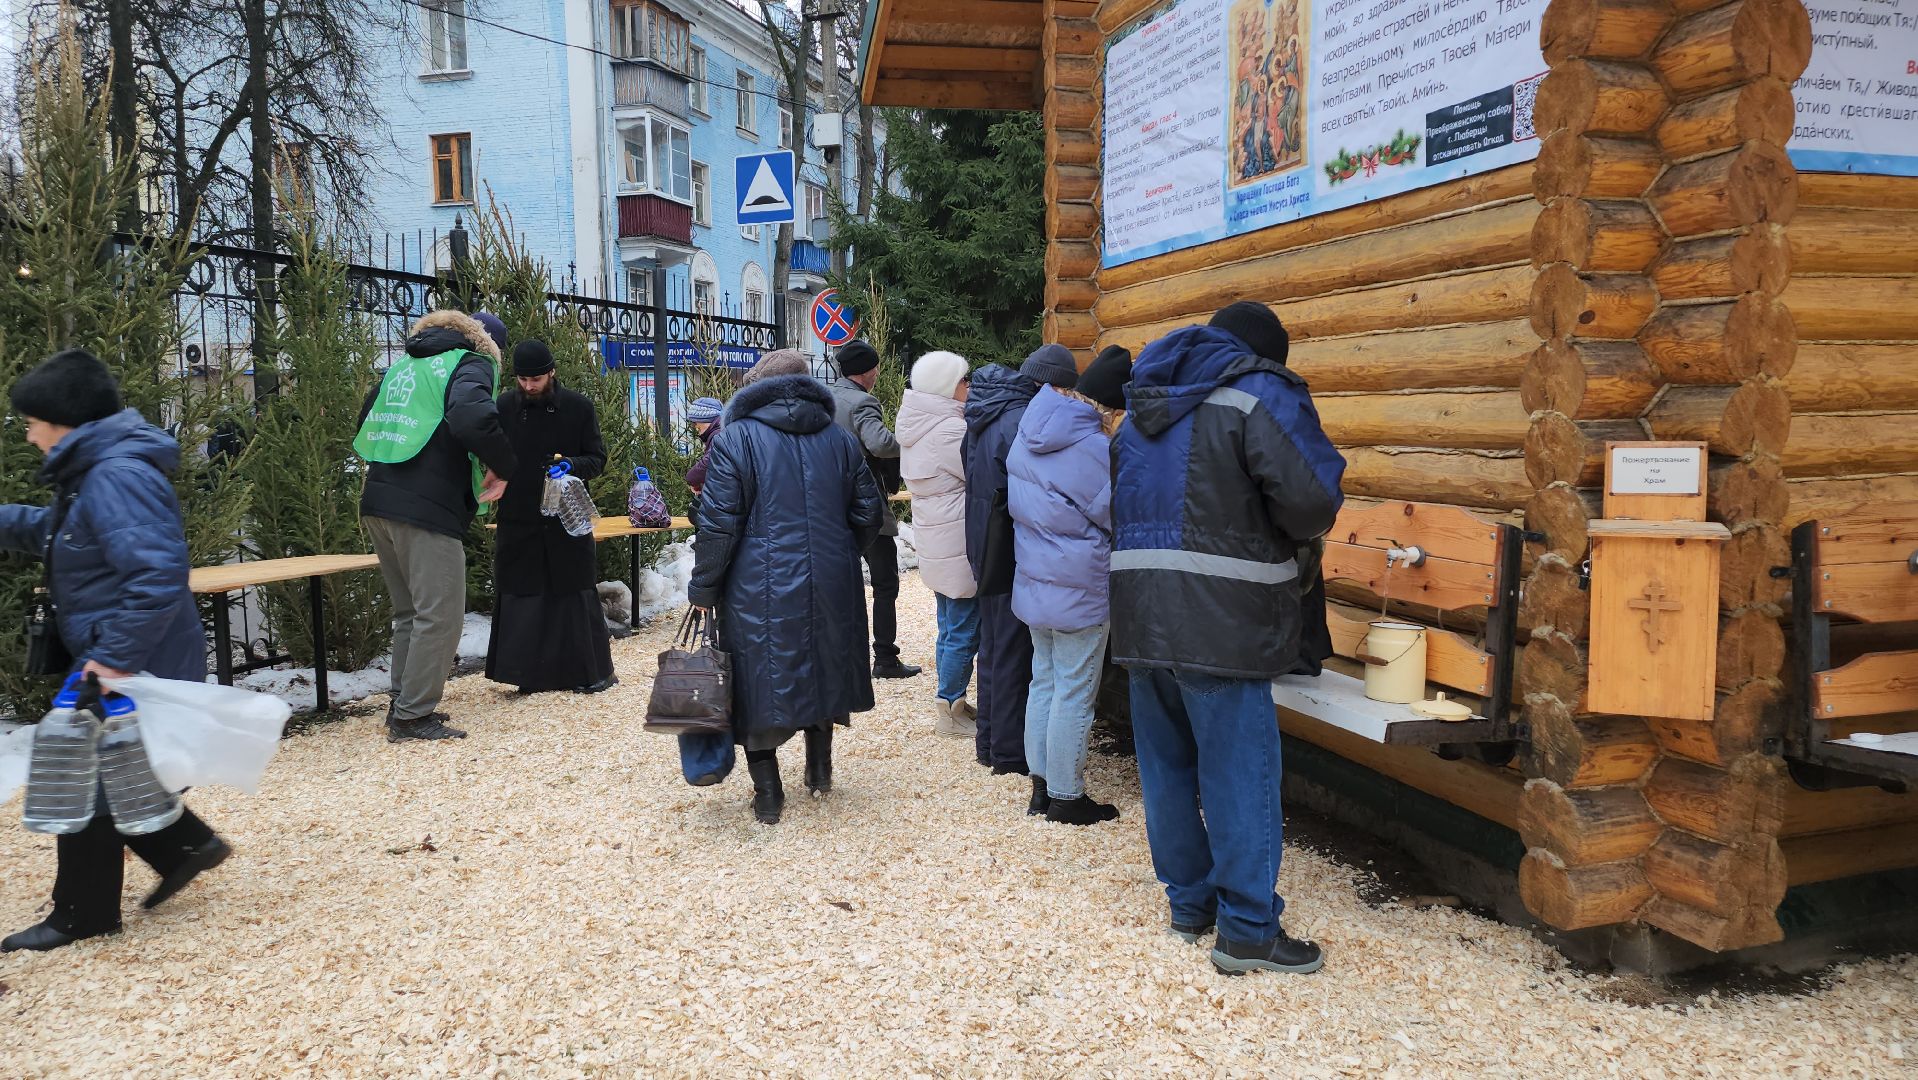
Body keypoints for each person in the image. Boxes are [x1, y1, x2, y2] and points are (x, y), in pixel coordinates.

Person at [1112, 301, 1344, 977]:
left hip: (1140, 609)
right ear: (1266, 353)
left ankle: (1190, 905)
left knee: (1166, 767)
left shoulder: (1142, 404)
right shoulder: (1258, 392)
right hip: (1224, 616)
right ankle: (1247, 928)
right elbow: (1309, 501)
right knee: (1240, 771)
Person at [0, 350, 229, 952]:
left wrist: (114, 659)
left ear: (61, 420)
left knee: (81, 772)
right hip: (123, 645)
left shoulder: (115, 474)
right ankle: (183, 846)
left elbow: (156, 574)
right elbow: (64, 534)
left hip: (129, 651)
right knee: (102, 765)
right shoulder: (96, 470)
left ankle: (83, 913)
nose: (26, 433)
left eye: (30, 421)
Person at [689, 350, 883, 825]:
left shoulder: (735, 439)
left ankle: (769, 795)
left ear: (755, 390)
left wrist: (704, 587)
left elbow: (718, 525)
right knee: (822, 664)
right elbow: (868, 514)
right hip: (832, 577)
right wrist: (837, 550)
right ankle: (819, 772)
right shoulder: (839, 438)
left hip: (757, 582)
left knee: (760, 677)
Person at [355, 309, 517, 743]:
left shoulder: (405, 364)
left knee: (410, 612)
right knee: (440, 616)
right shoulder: (470, 362)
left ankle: (403, 703)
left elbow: (366, 420)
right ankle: (411, 716)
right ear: (489, 345)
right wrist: (503, 466)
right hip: (425, 508)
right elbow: (471, 416)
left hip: (379, 498)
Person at [1008, 346, 1132, 825]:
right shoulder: (1095, 449)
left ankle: (1040, 786)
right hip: (1080, 585)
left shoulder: (1028, 433)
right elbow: (1114, 516)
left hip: (1035, 578)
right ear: (1109, 407)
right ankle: (1066, 796)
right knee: (1075, 692)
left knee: (1044, 680)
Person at [963, 344, 1077, 775]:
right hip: (1011, 542)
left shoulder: (984, 410)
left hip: (981, 538)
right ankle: (1009, 752)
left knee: (992, 644)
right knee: (1013, 648)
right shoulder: (1021, 419)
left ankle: (990, 742)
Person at [484, 339, 616, 696]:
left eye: (536, 380)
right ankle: (529, 674)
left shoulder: (578, 408)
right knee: (524, 592)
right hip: (519, 515)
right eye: (523, 380)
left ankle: (590, 672)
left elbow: (597, 459)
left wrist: (571, 464)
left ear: (552, 373)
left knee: (572, 590)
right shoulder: (504, 407)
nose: (529, 387)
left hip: (565, 515)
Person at [826, 339, 921, 681]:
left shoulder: (824, 397)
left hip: (828, 506)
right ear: (868, 372)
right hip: (864, 506)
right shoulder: (862, 401)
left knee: (839, 584)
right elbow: (880, 443)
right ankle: (885, 657)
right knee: (884, 583)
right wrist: (908, 445)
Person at [896, 350, 978, 738]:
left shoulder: (917, 424)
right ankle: (950, 707)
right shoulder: (948, 429)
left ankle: (951, 700)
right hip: (957, 537)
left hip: (936, 535)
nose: (969, 387)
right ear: (948, 387)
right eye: (964, 381)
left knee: (949, 624)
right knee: (963, 628)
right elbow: (976, 475)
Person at [683, 396, 725, 498]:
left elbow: (708, 463)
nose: (695, 425)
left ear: (706, 419)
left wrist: (692, 479)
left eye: (696, 421)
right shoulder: (719, 433)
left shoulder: (719, 435)